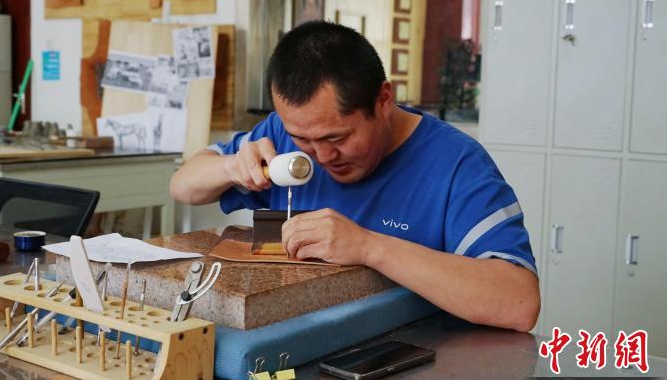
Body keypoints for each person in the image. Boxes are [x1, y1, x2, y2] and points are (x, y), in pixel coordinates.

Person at [171, 21, 540, 332]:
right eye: (304, 138)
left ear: (383, 101)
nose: (322, 156)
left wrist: (368, 247)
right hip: (303, 350)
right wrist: (231, 166)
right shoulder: (283, 140)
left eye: (338, 138)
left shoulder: (456, 164)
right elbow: (183, 186)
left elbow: (518, 301)